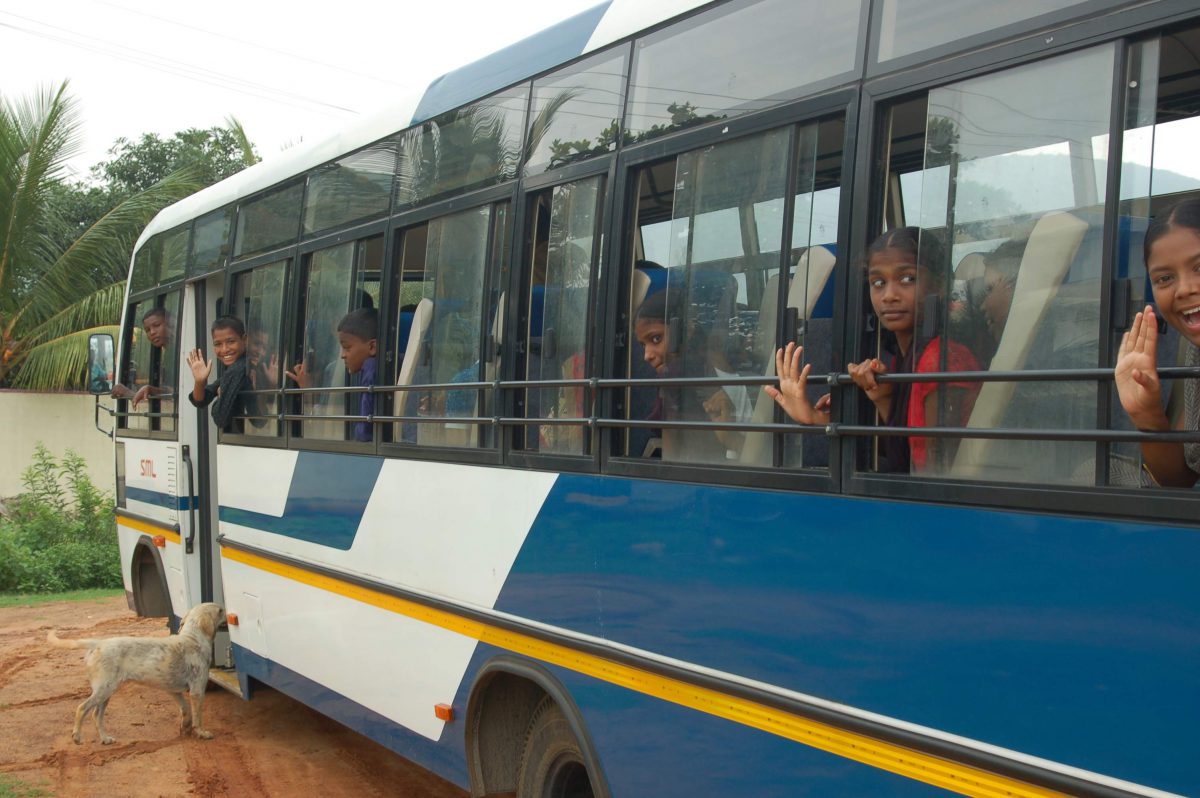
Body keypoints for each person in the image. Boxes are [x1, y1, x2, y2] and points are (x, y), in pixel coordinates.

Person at [766, 227, 981, 473]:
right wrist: (880, 397)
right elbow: (908, 449)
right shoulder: (909, 356)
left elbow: (932, 473)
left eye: (908, 279)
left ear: (940, 284)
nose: (889, 296)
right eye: (878, 282)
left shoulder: (941, 359)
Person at [1114, 198, 1200, 488]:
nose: (1185, 289)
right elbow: (1179, 482)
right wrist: (1146, 413)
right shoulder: (1193, 357)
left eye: (1199, 268)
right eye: (1165, 278)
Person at [634, 287, 749, 457]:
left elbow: (670, 459)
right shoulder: (681, 378)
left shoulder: (709, 383)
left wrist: (730, 438)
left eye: (656, 338)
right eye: (643, 345)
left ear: (686, 331)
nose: (647, 355)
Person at [186, 316, 254, 433]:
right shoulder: (237, 367)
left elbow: (220, 419)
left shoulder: (238, 369)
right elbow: (200, 400)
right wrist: (200, 381)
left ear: (245, 339)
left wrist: (220, 397)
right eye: (218, 344)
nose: (224, 349)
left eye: (231, 342)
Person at [112, 306, 174, 407]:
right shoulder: (168, 354)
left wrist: (130, 392)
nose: (152, 332)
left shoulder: (180, 351)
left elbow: (178, 393)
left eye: (157, 325)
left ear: (170, 325)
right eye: (147, 330)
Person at [335, 307, 379, 443]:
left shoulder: (370, 368)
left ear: (372, 347)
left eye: (347, 348)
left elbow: (364, 432)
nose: (343, 355)